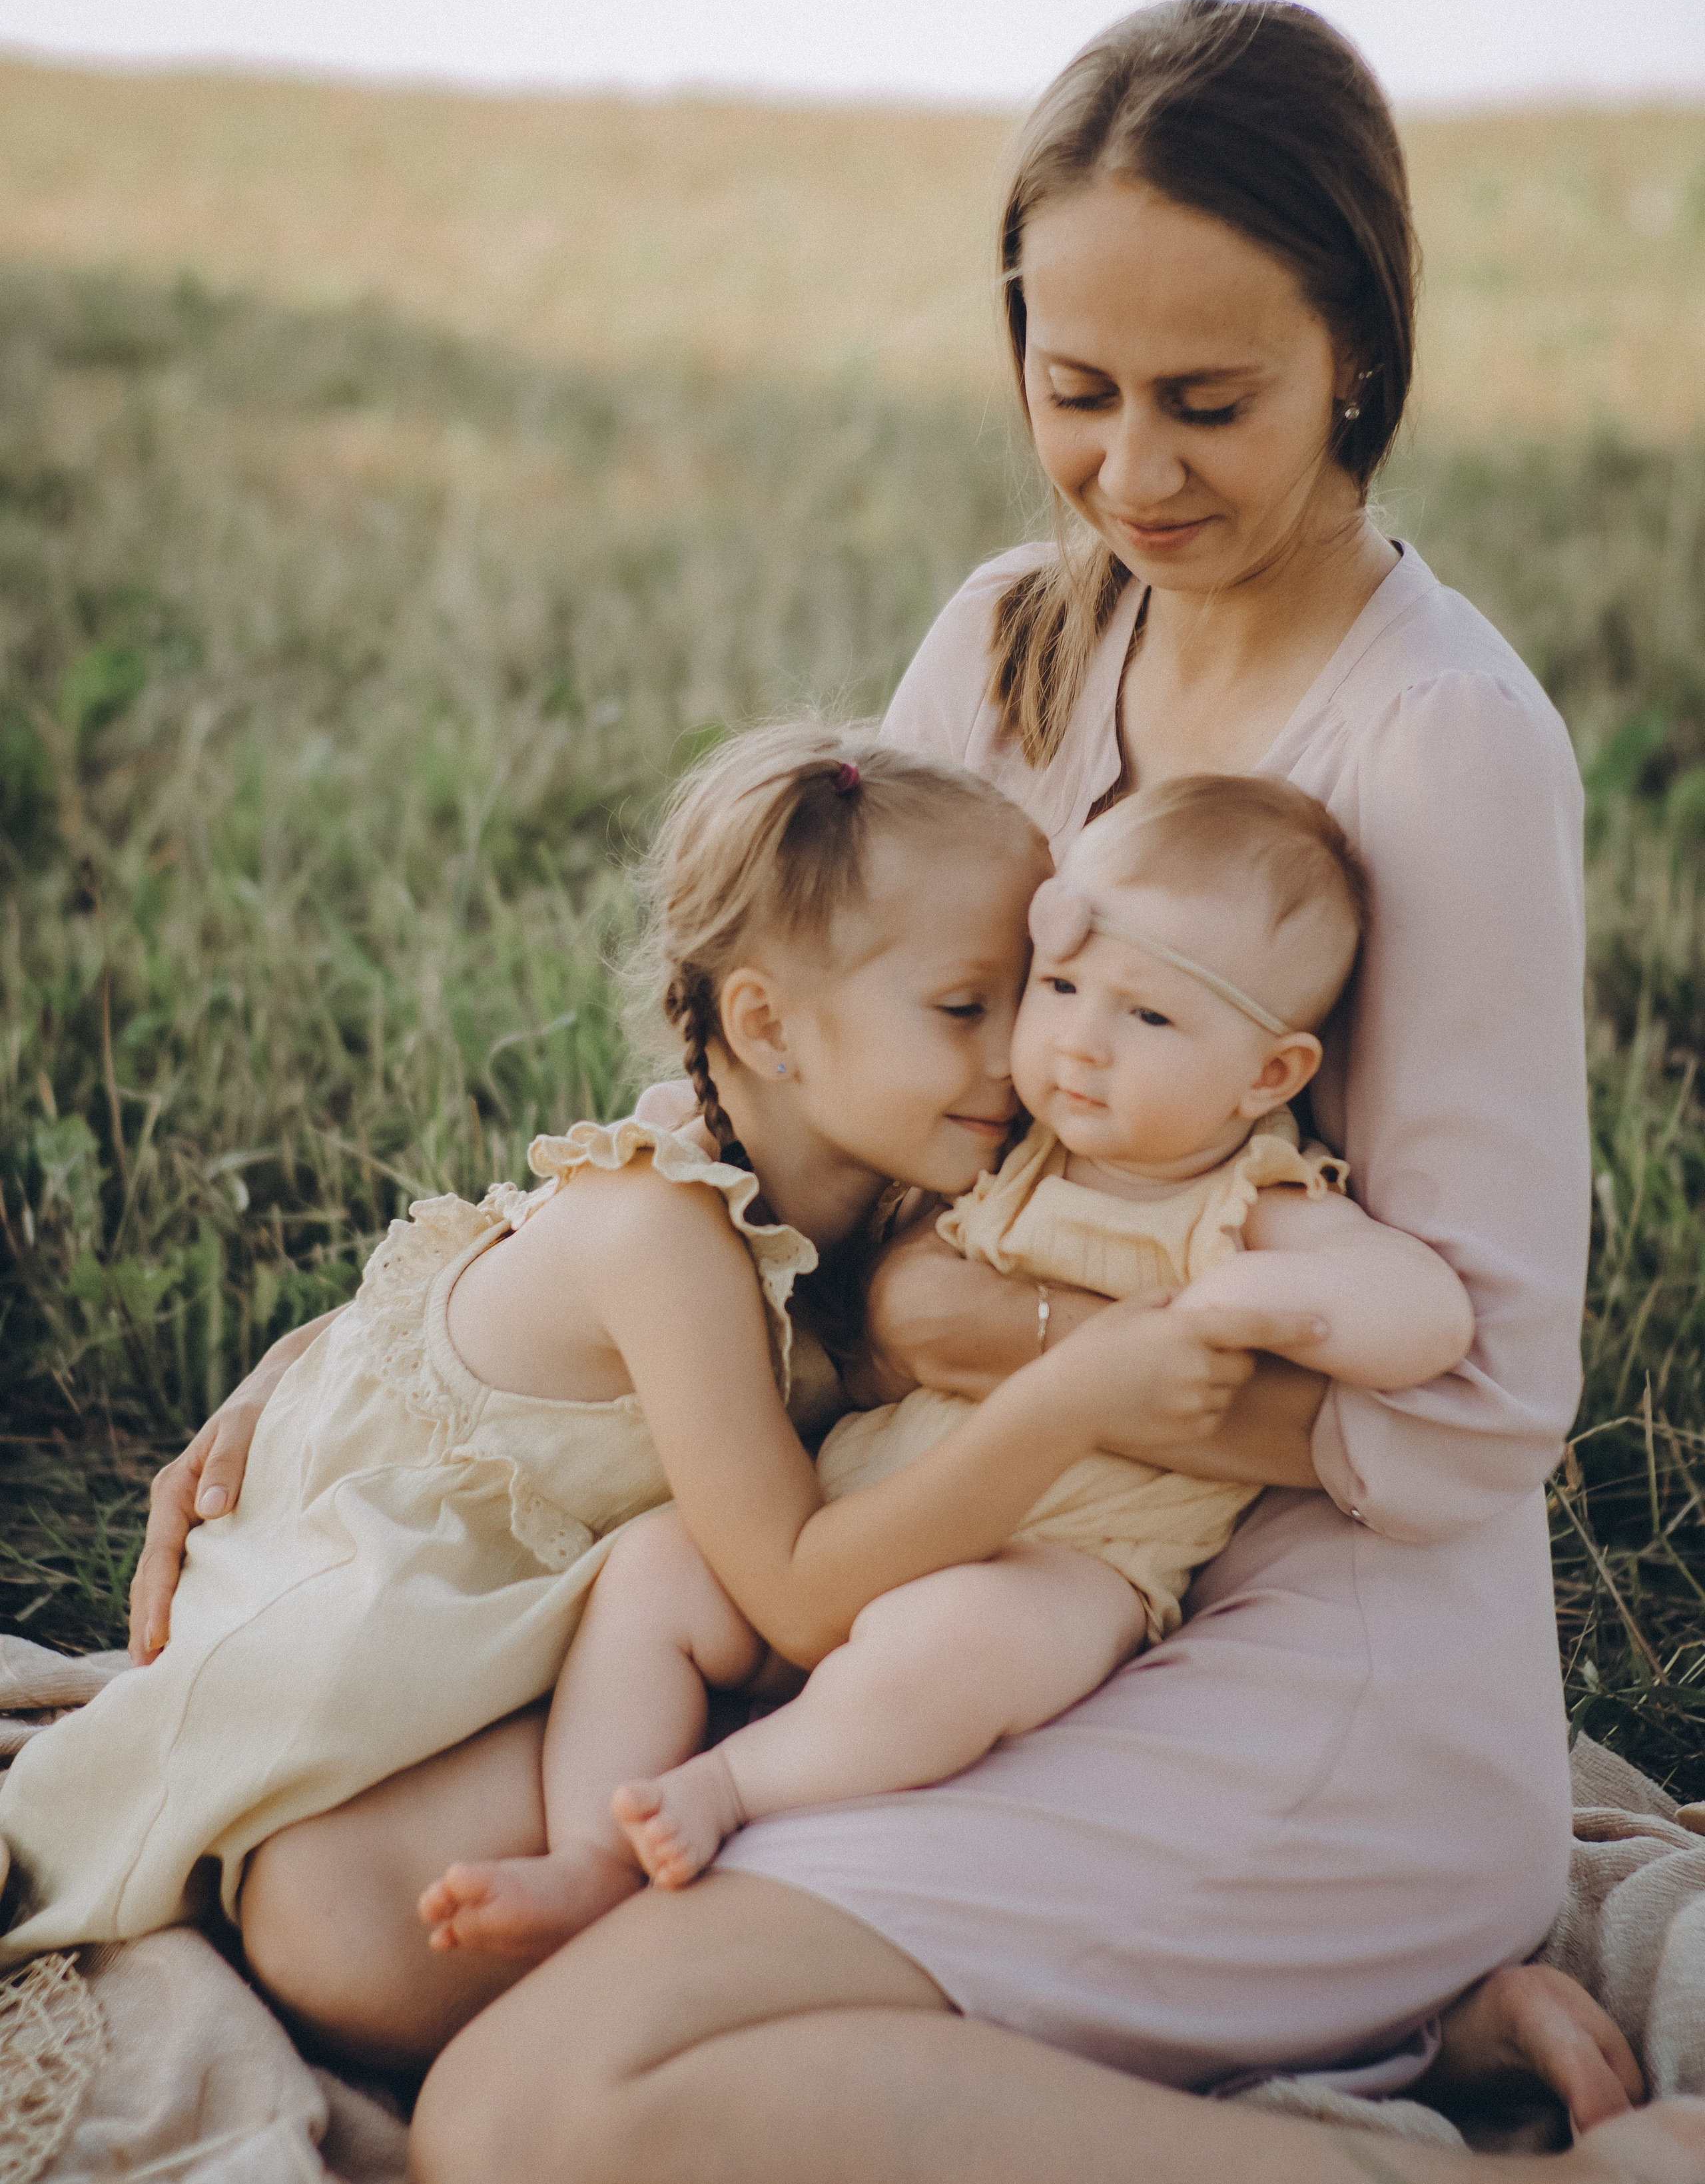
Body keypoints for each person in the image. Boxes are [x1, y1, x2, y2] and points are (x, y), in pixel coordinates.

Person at [125, 0, 1705, 2181]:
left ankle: (1409, 2101)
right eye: (1077, 393)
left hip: (1264, 1640)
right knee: (337, 1921)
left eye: (1212, 402)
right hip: (926, 1537)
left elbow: (1483, 1404)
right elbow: (795, 1116)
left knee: (535, 2112)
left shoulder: (1447, 740)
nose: (1134, 471)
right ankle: (1296, 2030)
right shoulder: (1005, 643)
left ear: (1363, 350)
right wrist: (382, 1345)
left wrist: (973, 1328)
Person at [1, 726, 1312, 2001]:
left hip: (556, 1615)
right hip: (384, 1604)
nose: (1015, 1059)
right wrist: (1062, 1396)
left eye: (1021, 1005)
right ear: (766, 1026)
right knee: (345, 1931)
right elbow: (796, 1597)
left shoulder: (886, 1163)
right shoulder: (664, 1231)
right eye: (964, 1009)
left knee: (359, 1924)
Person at [420, 774, 1475, 1940]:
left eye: (1150, 1017)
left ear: (1269, 1076)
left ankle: (732, 1786)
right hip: (882, 1502)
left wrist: (1252, 1299)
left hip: (1069, 1562)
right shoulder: (1008, 1148)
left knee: (958, 1645)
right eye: (1058, 988)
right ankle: (587, 1852)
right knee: (660, 1567)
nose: (1077, 1042)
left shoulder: (1239, 1202)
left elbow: (1424, 1313)